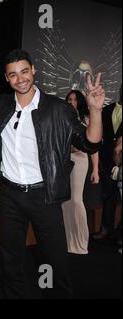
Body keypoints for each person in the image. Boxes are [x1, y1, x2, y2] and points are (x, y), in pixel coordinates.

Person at [0, 49, 104, 298]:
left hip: (44, 195)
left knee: (56, 261)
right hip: (9, 195)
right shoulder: (0, 105)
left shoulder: (58, 109)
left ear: (33, 70)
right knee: (10, 262)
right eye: (13, 75)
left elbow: (90, 143)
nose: (20, 79)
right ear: (6, 78)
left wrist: (95, 110)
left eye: (24, 71)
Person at [61, 90, 99, 254]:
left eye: (75, 99)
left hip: (80, 160)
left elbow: (94, 148)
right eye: (69, 99)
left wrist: (95, 169)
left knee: (76, 200)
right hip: (64, 162)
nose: (72, 102)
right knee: (65, 201)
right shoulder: (62, 119)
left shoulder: (85, 119)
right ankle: (69, 241)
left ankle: (82, 242)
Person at [93, 85, 122, 241]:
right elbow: (98, 134)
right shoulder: (107, 109)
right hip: (107, 160)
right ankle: (106, 229)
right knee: (108, 197)